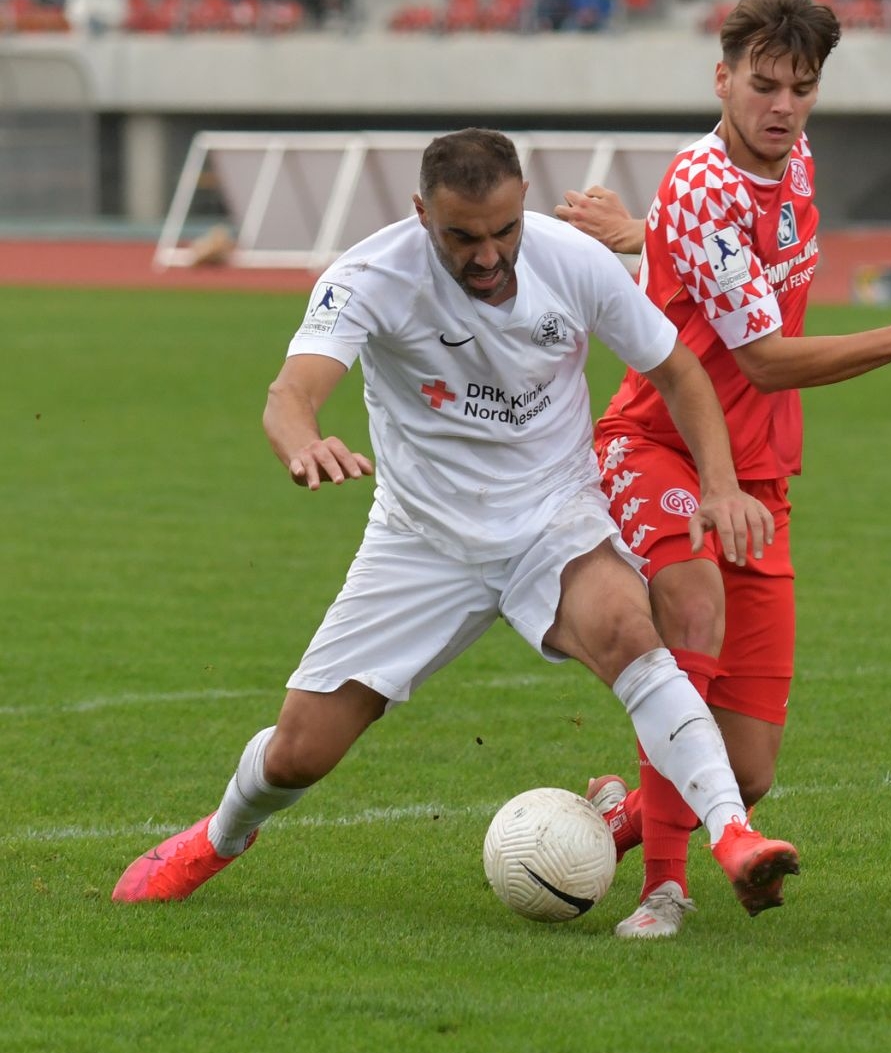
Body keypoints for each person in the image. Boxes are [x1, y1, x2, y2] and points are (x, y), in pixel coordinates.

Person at [111, 129, 801, 917]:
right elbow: (289, 393)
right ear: (421, 214)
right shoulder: (371, 275)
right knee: (301, 752)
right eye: (462, 236)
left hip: (553, 519)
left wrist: (718, 483)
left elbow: (677, 368)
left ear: (523, 208)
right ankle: (219, 838)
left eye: (504, 230)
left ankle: (733, 837)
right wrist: (305, 441)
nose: (487, 255)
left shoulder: (573, 261)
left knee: (626, 629)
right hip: (423, 541)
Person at [554, 0, 891, 938]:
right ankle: (664, 892)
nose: (782, 106)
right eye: (763, 85)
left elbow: (720, 275)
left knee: (750, 769)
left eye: (800, 89)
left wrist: (642, 243)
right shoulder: (700, 179)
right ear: (722, 78)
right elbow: (762, 356)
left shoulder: (796, 162)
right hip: (657, 445)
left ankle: (619, 820)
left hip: (760, 474)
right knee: (689, 608)